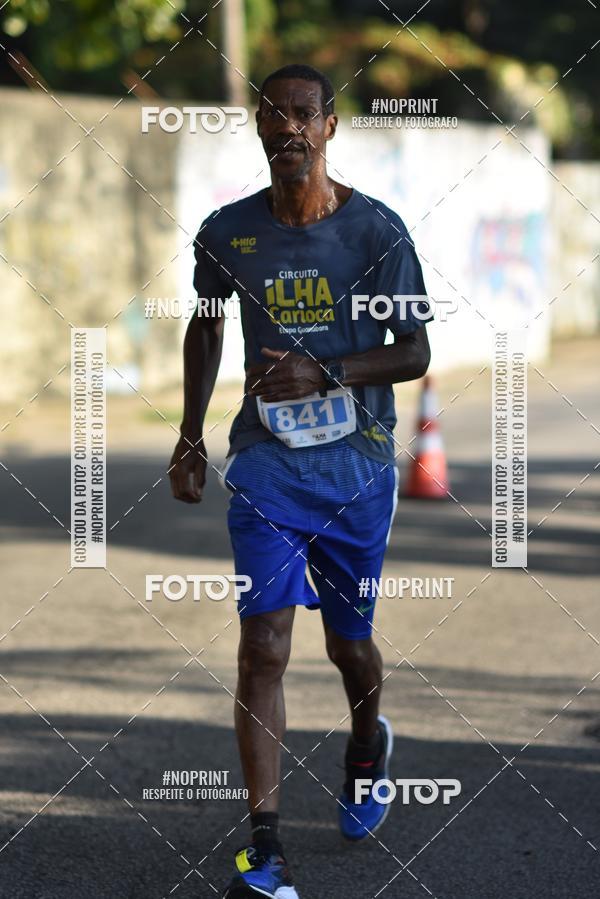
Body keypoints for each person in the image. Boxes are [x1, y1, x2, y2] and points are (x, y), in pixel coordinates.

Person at [169, 63, 432, 899]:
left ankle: (365, 745)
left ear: (329, 127)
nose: (289, 127)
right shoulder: (227, 233)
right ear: (257, 127)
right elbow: (206, 327)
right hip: (266, 468)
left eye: (304, 114)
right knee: (263, 646)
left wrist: (323, 369)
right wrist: (188, 435)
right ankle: (266, 843)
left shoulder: (377, 235)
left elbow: (416, 353)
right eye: (273, 114)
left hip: (356, 466)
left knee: (349, 644)